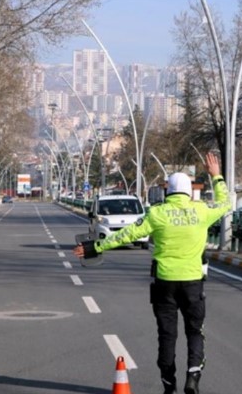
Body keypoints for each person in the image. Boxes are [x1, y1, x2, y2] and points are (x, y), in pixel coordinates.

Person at [73, 152, 230, 394]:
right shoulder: (201, 211)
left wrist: (95, 247)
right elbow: (225, 203)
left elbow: (127, 234)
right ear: (189, 192)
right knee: (194, 331)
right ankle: (193, 376)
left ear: (168, 192)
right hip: (193, 283)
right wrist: (216, 176)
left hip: (164, 283)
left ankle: (169, 386)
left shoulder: (157, 213)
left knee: (167, 336)